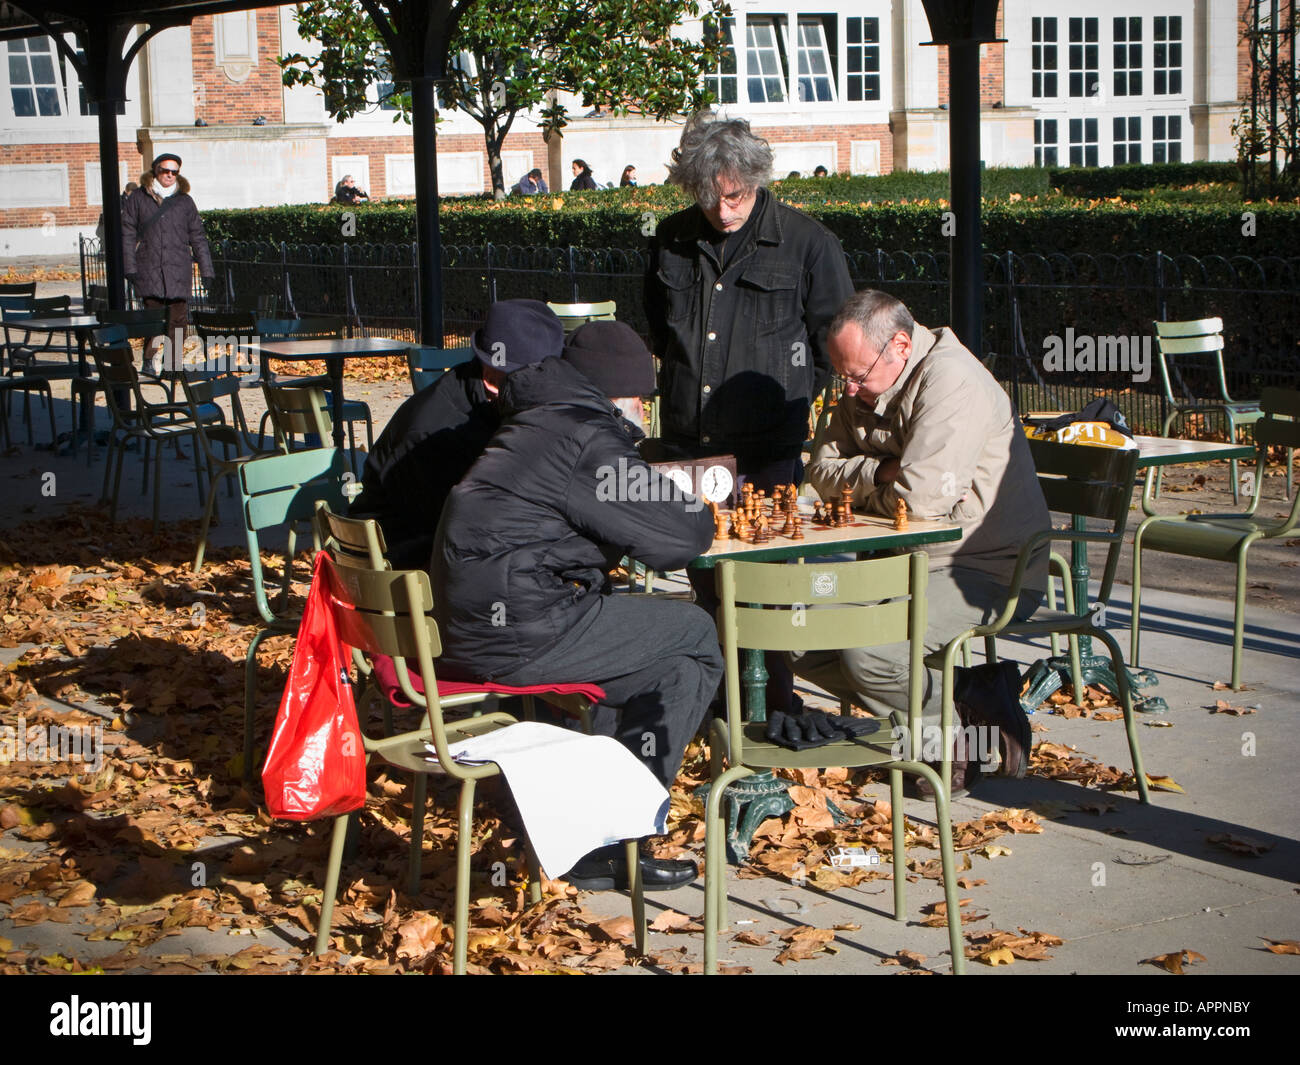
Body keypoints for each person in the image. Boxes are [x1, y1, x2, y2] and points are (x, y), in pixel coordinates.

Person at [430, 322, 721, 890]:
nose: (644, 411)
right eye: (643, 398)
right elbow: (681, 539)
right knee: (693, 633)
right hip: (518, 632)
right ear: (621, 394)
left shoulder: (539, 420)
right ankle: (621, 832)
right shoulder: (589, 438)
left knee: (657, 658)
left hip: (470, 625)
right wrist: (693, 503)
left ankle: (601, 835)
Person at [795, 289, 1051, 792]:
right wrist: (886, 470)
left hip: (982, 568)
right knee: (791, 633)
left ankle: (946, 744)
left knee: (871, 652)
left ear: (901, 347)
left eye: (857, 375)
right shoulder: (863, 384)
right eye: (840, 375)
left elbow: (922, 501)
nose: (846, 391)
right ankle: (967, 695)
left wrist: (870, 481)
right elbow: (819, 471)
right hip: (902, 561)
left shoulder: (953, 381)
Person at [643, 113, 854, 713]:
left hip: (766, 443)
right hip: (691, 438)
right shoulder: (671, 237)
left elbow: (832, 340)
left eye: (733, 196)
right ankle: (721, 695)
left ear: (757, 180)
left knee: (766, 577)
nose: (722, 210)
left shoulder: (807, 241)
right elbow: (662, 330)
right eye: (708, 197)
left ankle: (773, 701)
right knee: (705, 574)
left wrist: (792, 395)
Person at [349, 299, 561, 570]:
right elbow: (461, 526)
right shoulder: (437, 432)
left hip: (440, 544)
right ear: (493, 380)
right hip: (402, 563)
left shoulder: (488, 402)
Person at [122, 153, 214, 370]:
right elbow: (127, 234)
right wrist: (130, 267)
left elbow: (197, 237)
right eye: (165, 170)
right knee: (152, 319)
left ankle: (173, 364)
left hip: (178, 269)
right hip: (149, 267)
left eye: (174, 171)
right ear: (155, 170)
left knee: (178, 321)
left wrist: (206, 270)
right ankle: (149, 360)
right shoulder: (138, 198)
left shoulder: (185, 201)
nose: (169, 175)